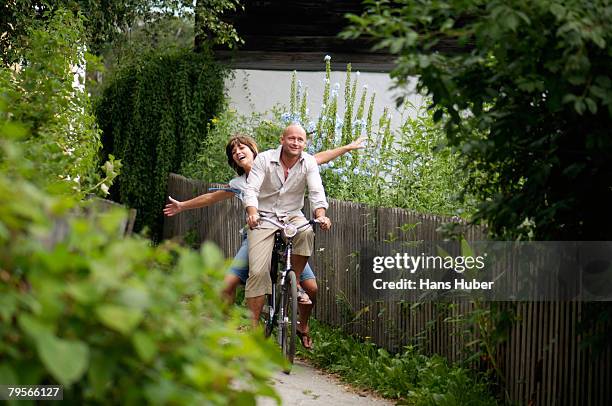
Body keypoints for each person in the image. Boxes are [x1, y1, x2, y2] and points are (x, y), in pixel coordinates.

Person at [164, 132, 363, 348]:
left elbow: (317, 159)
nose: (238, 152)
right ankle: (231, 328)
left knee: (311, 287)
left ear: (253, 150)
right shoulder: (239, 182)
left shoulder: (275, 164)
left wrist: (346, 148)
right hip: (257, 232)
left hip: (285, 230)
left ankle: (302, 324)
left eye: (242, 148)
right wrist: (183, 205)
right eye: (234, 151)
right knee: (228, 284)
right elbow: (212, 197)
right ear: (233, 160)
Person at [243, 124, 331, 345]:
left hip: (292, 215)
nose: (296, 143)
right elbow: (251, 189)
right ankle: (252, 326)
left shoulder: (308, 163)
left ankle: (297, 281)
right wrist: (252, 212)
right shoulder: (264, 159)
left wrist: (321, 214)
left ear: (305, 143)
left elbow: (316, 192)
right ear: (282, 139)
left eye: (300, 140)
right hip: (264, 217)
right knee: (258, 271)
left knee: (307, 230)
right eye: (292, 138)